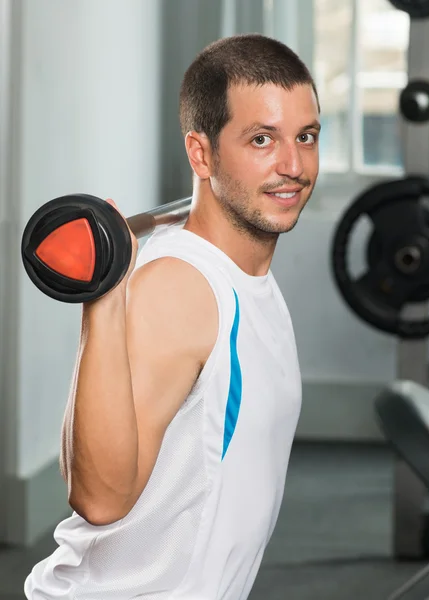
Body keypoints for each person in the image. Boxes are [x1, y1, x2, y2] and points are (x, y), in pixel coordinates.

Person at [24, 33, 320, 600]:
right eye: (262, 139)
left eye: (305, 137)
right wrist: (104, 296)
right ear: (201, 153)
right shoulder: (180, 288)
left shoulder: (242, 268)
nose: (293, 165)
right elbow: (100, 498)